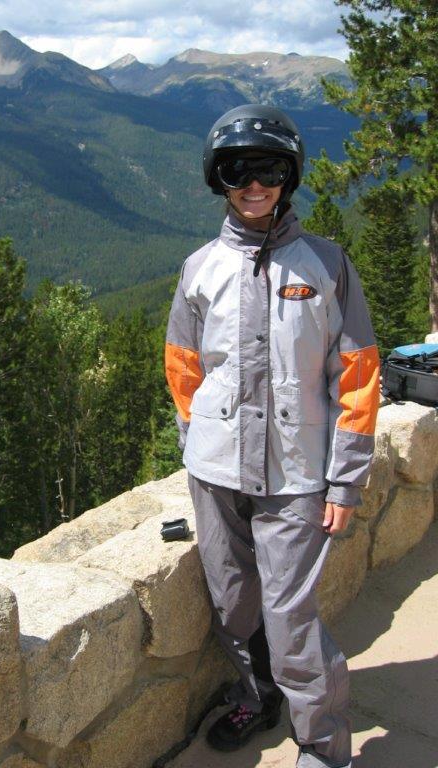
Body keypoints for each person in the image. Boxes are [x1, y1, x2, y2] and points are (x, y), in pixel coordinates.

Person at [164, 104, 380, 768]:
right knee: (233, 605)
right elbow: (183, 368)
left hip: (297, 475)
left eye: (269, 170)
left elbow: (358, 374)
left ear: (289, 176)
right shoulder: (199, 268)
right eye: (238, 171)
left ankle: (323, 745)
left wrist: (345, 480)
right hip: (216, 473)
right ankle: (258, 697)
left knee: (290, 621)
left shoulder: (327, 265)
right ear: (218, 179)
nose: (254, 185)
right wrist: (196, 445)